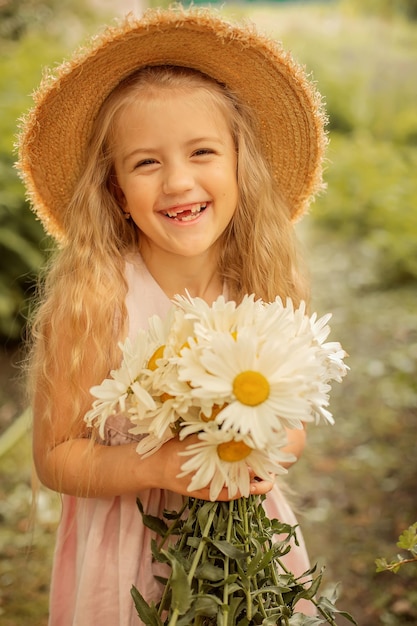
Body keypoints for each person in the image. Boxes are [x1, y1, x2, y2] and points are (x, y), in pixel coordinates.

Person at [17, 6, 327, 625]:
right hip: (123, 554)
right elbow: (55, 457)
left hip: (245, 545)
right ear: (115, 192)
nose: (179, 181)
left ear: (241, 163)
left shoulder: (266, 284)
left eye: (203, 151)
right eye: (146, 162)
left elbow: (293, 419)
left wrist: (259, 452)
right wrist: (158, 466)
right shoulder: (96, 301)